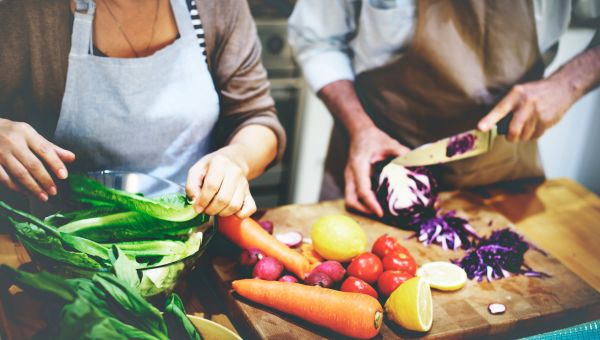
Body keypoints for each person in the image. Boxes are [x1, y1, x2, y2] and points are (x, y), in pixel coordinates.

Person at [288, 0, 600, 217]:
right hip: (372, 164)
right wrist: (360, 127)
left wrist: (569, 82)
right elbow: (317, 40)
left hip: (501, 171)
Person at [0, 0, 285, 218]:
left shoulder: (217, 6)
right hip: (62, 247)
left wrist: (237, 159)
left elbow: (257, 119)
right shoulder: (27, 11)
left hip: (189, 242)